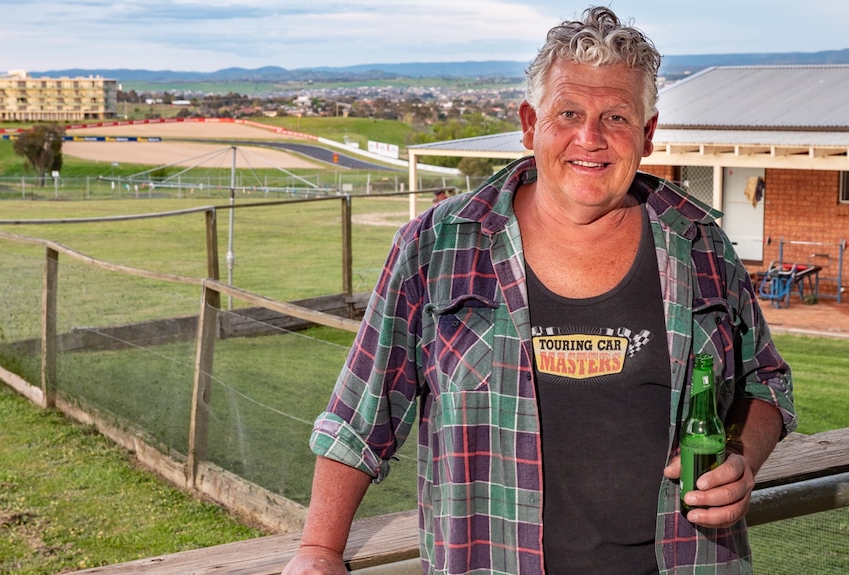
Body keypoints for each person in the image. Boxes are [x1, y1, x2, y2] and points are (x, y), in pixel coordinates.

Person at [283, 6, 796, 575]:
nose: (590, 138)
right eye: (568, 112)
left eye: (617, 117)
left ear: (647, 135)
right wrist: (319, 551)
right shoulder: (437, 247)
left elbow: (765, 384)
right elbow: (359, 418)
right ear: (530, 124)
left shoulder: (700, 243)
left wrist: (745, 458)